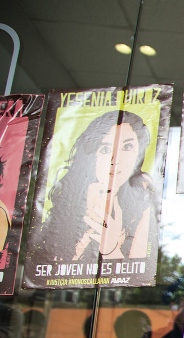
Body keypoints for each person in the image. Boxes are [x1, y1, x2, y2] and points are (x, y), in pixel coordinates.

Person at [33, 110, 156, 262]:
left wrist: (111, 250)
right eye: (105, 149)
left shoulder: (143, 203)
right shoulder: (69, 200)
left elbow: (139, 273)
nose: (115, 159)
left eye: (127, 147)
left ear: (139, 153)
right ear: (91, 155)